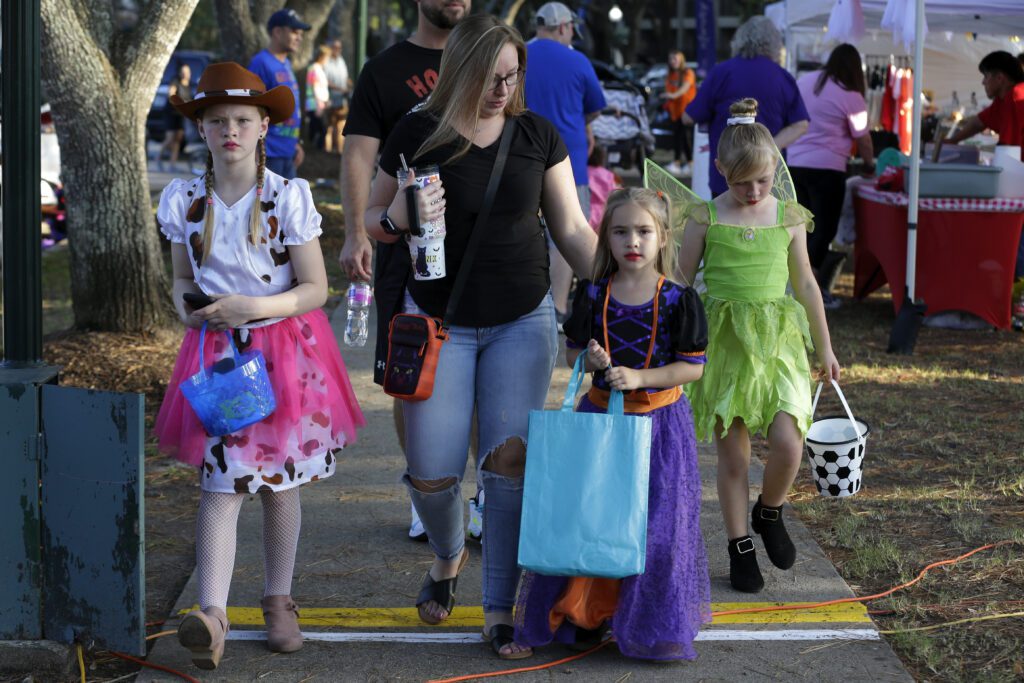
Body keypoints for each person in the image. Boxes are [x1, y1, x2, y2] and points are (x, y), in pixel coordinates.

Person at [363, 14, 597, 659]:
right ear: (463, 69)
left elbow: (572, 230)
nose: (503, 89)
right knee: (433, 472)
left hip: (522, 319)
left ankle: (500, 609)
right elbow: (373, 220)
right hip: (440, 324)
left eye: (513, 76)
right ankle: (446, 557)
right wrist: (399, 214)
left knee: (507, 469)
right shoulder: (418, 132)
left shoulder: (537, 135)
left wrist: (622, 280)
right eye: (492, 76)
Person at [153, 62, 365, 670]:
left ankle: (278, 598)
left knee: (280, 484)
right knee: (219, 485)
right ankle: (211, 614)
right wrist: (188, 312)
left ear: (263, 124)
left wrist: (256, 306)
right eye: (216, 121)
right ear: (200, 127)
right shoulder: (184, 199)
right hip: (220, 357)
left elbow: (315, 287)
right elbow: (180, 278)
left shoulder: (286, 198)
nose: (229, 131)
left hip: (284, 353)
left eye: (242, 120)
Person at [514, 188, 711, 660]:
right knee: (592, 517)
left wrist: (641, 376)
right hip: (601, 421)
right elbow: (573, 353)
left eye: (643, 231)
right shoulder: (594, 292)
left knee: (654, 527)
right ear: (607, 237)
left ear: (662, 237)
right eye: (621, 231)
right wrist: (592, 357)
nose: (632, 242)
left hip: (659, 428)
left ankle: (647, 622)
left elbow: (692, 367)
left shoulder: (679, 299)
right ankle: (584, 612)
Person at [677, 98, 840, 594]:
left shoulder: (789, 216)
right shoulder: (704, 216)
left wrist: (824, 348)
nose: (752, 191)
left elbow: (808, 284)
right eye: (740, 181)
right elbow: (681, 282)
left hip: (778, 340)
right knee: (734, 458)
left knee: (790, 444)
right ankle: (739, 544)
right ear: (721, 168)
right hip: (725, 341)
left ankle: (770, 511)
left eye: (763, 181)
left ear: (776, 170)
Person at [340, 0, 471, 542]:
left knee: (485, 381)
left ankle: (484, 496)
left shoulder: (488, 59)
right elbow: (357, 156)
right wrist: (354, 232)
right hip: (408, 252)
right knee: (411, 378)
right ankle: (427, 494)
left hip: (484, 252)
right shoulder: (386, 71)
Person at [524, 0, 607, 325]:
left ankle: (528, 311)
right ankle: (557, 309)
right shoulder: (577, 60)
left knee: (528, 232)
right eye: (571, 27)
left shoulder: (519, 54)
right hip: (570, 160)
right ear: (563, 27)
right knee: (569, 235)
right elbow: (595, 108)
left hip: (523, 158)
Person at [788, 43, 875, 310]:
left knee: (800, 229)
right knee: (823, 230)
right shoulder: (851, 96)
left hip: (795, 164)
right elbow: (864, 140)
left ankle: (796, 284)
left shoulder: (804, 81)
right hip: (828, 169)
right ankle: (809, 288)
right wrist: (869, 165)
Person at [684, 16, 809, 197]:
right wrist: (766, 148)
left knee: (724, 223)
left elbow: (689, 117)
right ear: (774, 44)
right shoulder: (782, 76)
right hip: (767, 179)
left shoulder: (721, 73)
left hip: (728, 177)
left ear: (739, 40)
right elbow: (801, 124)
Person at [945, 51, 1024, 279]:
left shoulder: (1018, 99)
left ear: (1000, 78)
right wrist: (952, 141)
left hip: (1018, 182)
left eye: (986, 76)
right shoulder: (1004, 100)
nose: (983, 82)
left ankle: (1016, 298)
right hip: (1015, 180)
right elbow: (979, 122)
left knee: (1019, 244)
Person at [248, 8, 310, 179]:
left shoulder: (286, 64)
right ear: (277, 32)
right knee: (266, 205)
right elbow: (251, 107)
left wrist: (296, 144)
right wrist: (253, 149)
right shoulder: (261, 63)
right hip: (268, 153)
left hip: (288, 152)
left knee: (287, 205)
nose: (300, 37)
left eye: (301, 33)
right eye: (294, 32)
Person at [661, 50, 696, 177]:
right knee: (677, 138)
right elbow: (669, 89)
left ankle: (689, 163)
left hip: (686, 112)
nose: (673, 62)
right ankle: (678, 163)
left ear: (681, 60)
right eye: (671, 59)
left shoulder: (688, 73)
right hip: (674, 112)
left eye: (675, 59)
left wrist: (672, 95)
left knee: (686, 137)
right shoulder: (670, 74)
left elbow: (684, 89)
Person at [159, 63, 193, 171]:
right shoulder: (175, 81)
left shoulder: (189, 85)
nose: (185, 74)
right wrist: (180, 103)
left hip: (181, 114)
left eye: (187, 72)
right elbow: (171, 95)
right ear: (180, 73)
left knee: (178, 139)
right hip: (171, 113)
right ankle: (158, 158)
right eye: (183, 72)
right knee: (170, 138)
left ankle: (172, 164)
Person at [324, 39, 351, 154]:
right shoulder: (326, 62)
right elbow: (325, 81)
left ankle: (340, 151)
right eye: (335, 47)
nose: (338, 50)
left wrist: (350, 84)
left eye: (339, 48)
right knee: (329, 127)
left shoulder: (341, 61)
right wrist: (340, 89)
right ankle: (328, 151)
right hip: (330, 99)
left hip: (342, 100)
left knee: (341, 126)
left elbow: (345, 78)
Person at [586, 145, 621, 230]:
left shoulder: (583, 172)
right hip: (602, 214)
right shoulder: (608, 175)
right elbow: (616, 192)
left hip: (585, 211)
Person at [305, 45, 332, 150]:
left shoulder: (318, 68)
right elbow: (315, 87)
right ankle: (314, 150)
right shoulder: (315, 68)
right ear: (322, 56)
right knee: (320, 130)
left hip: (319, 104)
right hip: (315, 105)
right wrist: (319, 104)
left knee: (318, 129)